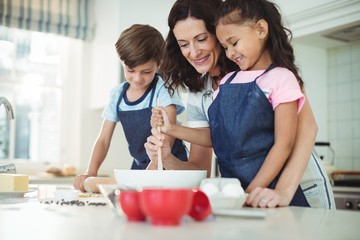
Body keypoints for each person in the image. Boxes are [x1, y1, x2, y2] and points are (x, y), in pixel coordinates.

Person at [145, 0, 335, 208]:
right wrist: (168, 157)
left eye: (201, 39)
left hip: (299, 187)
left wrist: (284, 190)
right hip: (246, 196)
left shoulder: (269, 69)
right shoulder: (200, 93)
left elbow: (307, 129)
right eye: (183, 44)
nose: (194, 51)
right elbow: (202, 166)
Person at [73, 24, 188, 192]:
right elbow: (103, 139)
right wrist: (91, 171)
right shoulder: (117, 95)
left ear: (159, 64)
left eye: (146, 71)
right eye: (130, 70)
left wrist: (154, 167)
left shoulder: (162, 90)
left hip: (169, 166)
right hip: (140, 167)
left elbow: (168, 133)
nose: (137, 78)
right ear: (122, 63)